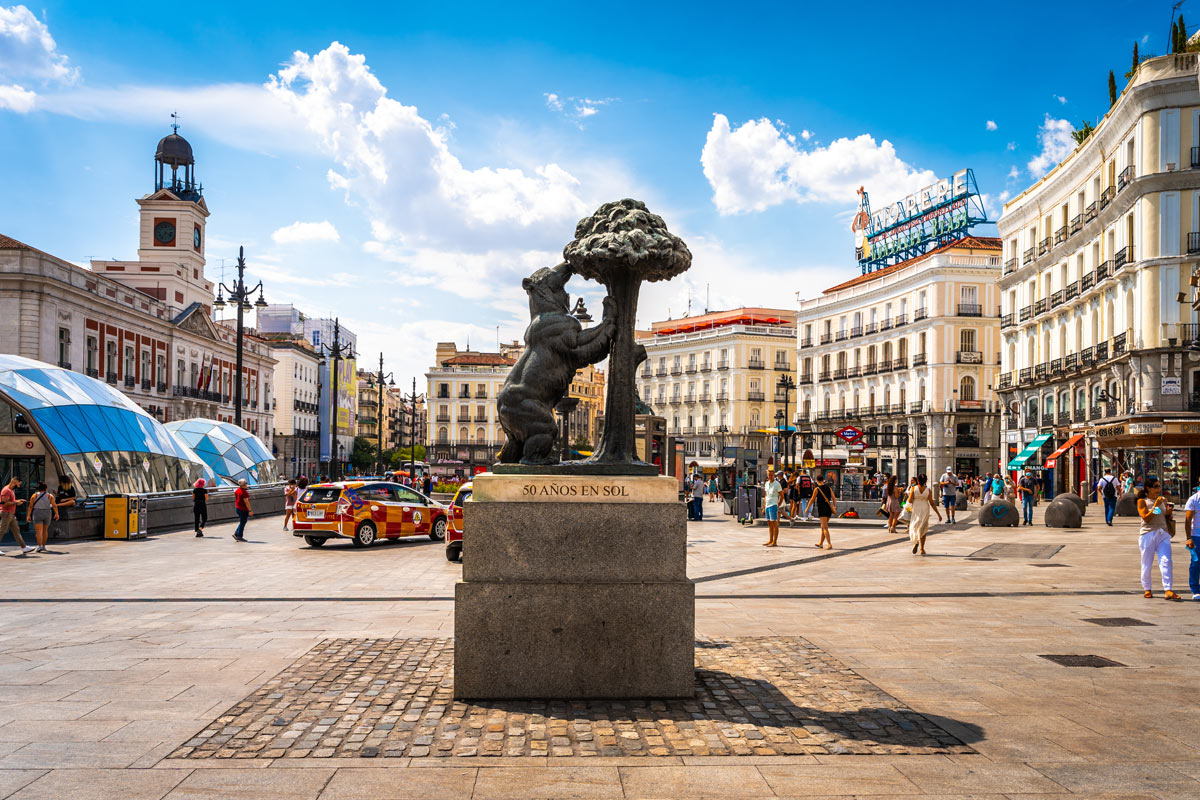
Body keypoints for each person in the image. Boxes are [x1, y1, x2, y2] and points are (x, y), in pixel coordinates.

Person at [1137, 478, 1182, 600]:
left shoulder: (1163, 500)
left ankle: (1168, 589)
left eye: (1159, 486)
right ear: (1148, 488)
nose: (1159, 489)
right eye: (1156, 486)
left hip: (1162, 533)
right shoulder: (1142, 501)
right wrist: (1156, 506)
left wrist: (1168, 512)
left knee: (1166, 561)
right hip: (1148, 533)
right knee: (1146, 563)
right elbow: (1146, 518)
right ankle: (1147, 588)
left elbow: (1163, 516)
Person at [906, 473, 940, 555]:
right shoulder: (928, 490)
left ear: (917, 480)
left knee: (915, 526)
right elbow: (932, 503)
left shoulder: (914, 488)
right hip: (925, 508)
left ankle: (915, 542)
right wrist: (938, 514)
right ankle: (921, 549)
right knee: (923, 528)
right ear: (926, 481)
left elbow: (910, 500)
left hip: (916, 508)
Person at [0, 476, 34, 555]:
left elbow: (10, 501)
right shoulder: (6, 490)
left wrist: (18, 501)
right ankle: (24, 547)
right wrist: (16, 502)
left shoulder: (10, 490)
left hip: (10, 514)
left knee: (16, 531)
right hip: (6, 513)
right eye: (19, 484)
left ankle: (24, 547)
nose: (19, 486)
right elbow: (5, 503)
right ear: (15, 482)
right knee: (2, 530)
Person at [25, 481, 57, 553]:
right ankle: (44, 546)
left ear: (39, 489)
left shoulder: (34, 495)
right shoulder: (50, 496)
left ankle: (39, 546)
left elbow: (30, 506)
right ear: (46, 489)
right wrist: (56, 514)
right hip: (47, 513)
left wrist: (28, 515)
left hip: (37, 513)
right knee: (45, 531)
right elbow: (54, 505)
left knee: (38, 532)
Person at [812, 473, 837, 550]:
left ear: (816, 480)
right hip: (828, 509)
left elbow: (812, 499)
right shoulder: (828, 488)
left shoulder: (817, 489)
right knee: (823, 527)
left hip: (822, 509)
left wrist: (807, 508)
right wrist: (834, 506)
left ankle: (829, 544)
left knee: (825, 527)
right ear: (823, 480)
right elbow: (834, 498)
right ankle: (821, 543)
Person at [1184, 482, 1200, 600]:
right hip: (1196, 535)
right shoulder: (1193, 499)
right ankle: (1195, 589)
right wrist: (1189, 538)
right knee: (1196, 561)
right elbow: (1188, 520)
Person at [762, 470, 783, 547]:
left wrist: (778, 504)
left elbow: (782, 495)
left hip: (773, 505)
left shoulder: (777, 484)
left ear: (774, 475)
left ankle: (775, 541)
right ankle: (770, 540)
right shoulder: (766, 484)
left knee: (775, 524)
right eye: (769, 475)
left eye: (771, 475)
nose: (770, 476)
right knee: (769, 523)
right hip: (767, 505)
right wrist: (764, 507)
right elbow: (765, 496)